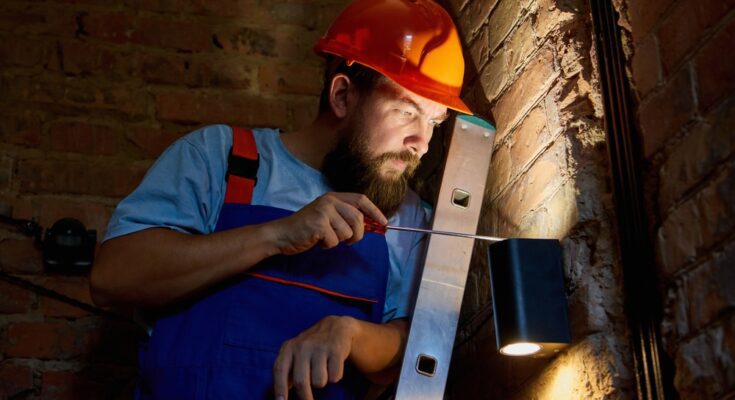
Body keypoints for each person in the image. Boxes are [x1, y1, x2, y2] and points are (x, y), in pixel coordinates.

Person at [90, 0, 471, 398]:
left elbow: (411, 352)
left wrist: (350, 333)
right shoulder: (221, 158)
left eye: (434, 122)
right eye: (406, 111)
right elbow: (112, 278)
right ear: (342, 96)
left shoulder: (412, 217)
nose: (423, 144)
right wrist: (276, 236)